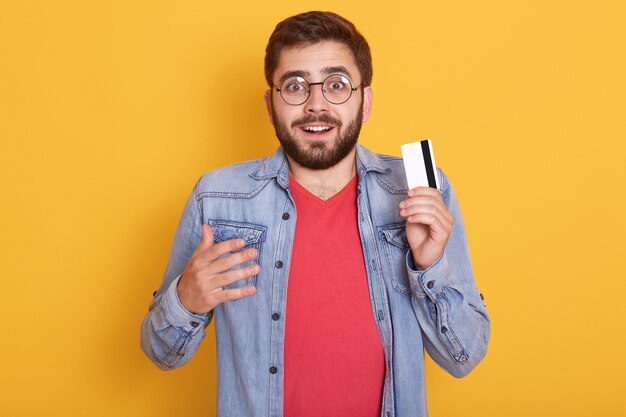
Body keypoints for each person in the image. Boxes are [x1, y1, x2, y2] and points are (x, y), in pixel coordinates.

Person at [141, 10, 490, 417]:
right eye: (295, 86)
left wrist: (428, 265)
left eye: (337, 85)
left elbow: (464, 358)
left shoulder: (421, 190)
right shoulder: (218, 199)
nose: (316, 105)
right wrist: (186, 300)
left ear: (366, 101)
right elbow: (161, 353)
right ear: (271, 105)